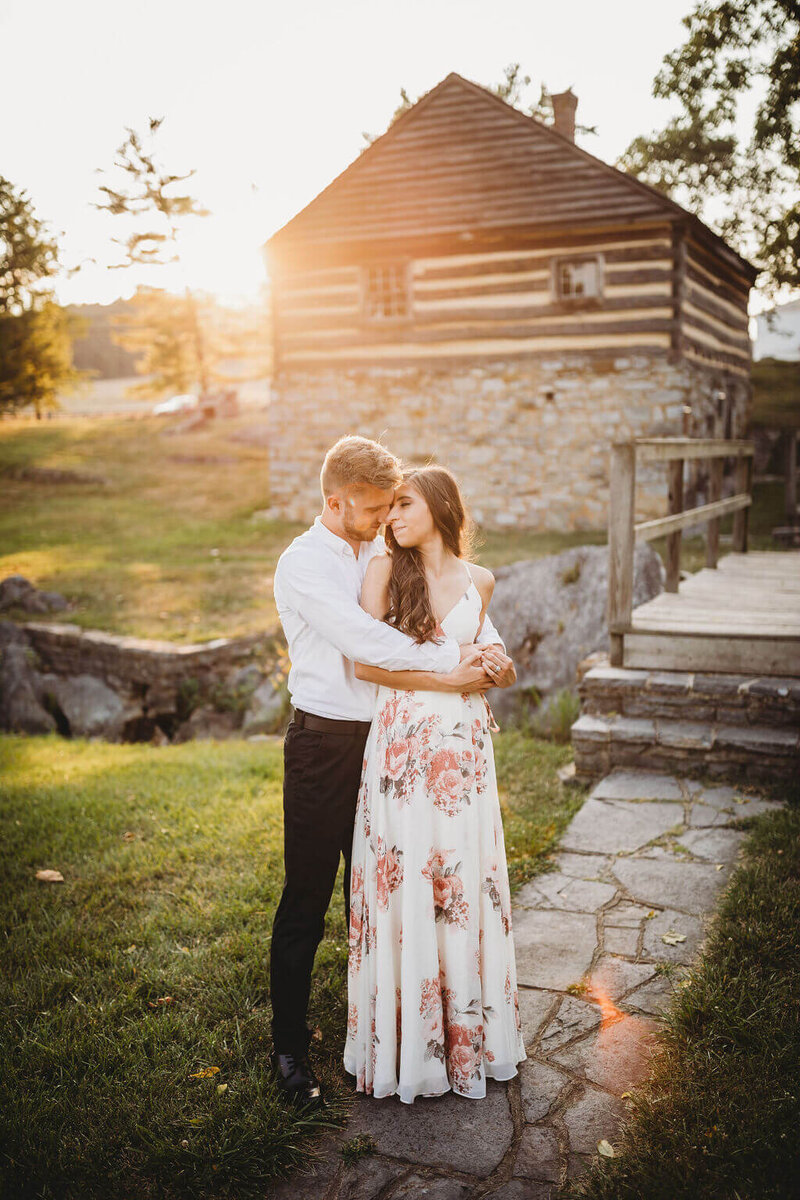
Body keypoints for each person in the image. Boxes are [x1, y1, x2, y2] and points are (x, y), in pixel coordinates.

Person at [270, 436, 514, 1108]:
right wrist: (452, 672)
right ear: (335, 501)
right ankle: (289, 1046)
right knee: (308, 895)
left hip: (390, 748)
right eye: (373, 506)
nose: (384, 516)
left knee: (380, 900)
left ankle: (386, 1031)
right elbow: (364, 643)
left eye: (390, 505)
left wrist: (480, 656)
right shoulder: (304, 564)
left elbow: (443, 606)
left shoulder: (384, 552)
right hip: (324, 744)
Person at [344, 465, 526, 1103]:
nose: (391, 518)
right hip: (403, 750)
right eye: (389, 509)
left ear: (441, 507)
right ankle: (407, 1049)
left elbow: (491, 665)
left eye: (404, 505)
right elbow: (365, 662)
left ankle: (468, 1041)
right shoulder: (384, 574)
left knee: (461, 882)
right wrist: (447, 677)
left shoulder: (481, 580)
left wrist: (495, 666)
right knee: (412, 878)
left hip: (467, 756)